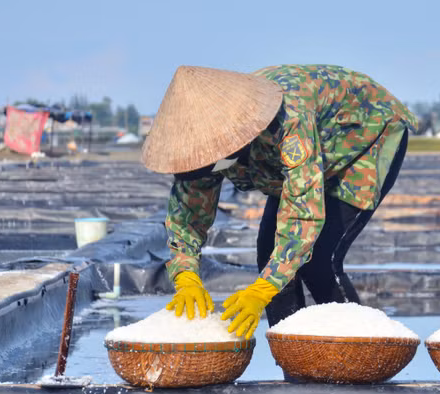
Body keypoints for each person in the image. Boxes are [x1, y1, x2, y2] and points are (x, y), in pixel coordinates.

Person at [142, 65, 418, 339]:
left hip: (363, 138)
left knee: (320, 259)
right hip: (305, 153)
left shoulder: (289, 120)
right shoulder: (199, 140)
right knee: (270, 257)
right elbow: (187, 212)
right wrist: (186, 275)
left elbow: (303, 215)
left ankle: (357, 349)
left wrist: (261, 291)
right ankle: (292, 355)